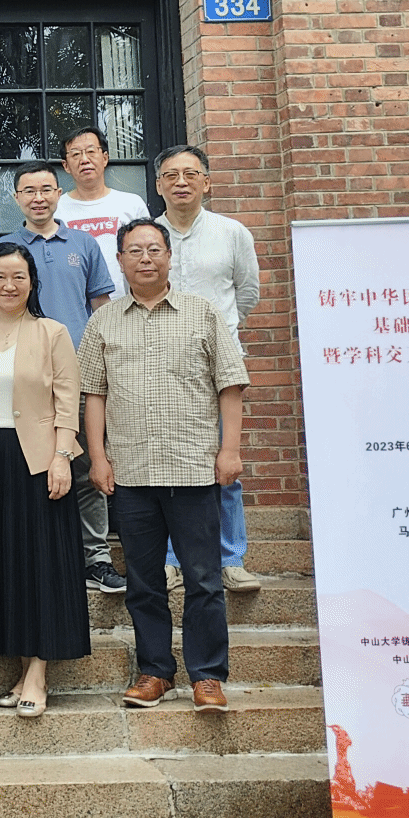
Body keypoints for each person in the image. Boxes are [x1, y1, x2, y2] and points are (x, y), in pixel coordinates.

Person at [82, 219, 249, 715]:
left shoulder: (203, 313)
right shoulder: (103, 322)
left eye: (155, 249)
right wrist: (98, 457)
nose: (146, 258)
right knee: (144, 582)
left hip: (194, 469)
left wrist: (230, 450)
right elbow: (94, 394)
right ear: (120, 260)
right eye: (135, 250)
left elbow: (231, 384)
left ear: (170, 257)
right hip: (132, 473)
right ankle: (154, 670)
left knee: (204, 579)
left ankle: (207, 675)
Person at [0, 242, 89, 717]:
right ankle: (19, 666)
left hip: (39, 461)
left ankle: (38, 672)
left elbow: (68, 399)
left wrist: (62, 457)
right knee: (5, 564)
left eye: (18, 277)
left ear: (32, 283)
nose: (8, 285)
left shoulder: (53, 333)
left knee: (40, 563)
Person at [0, 161, 123, 596]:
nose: (38, 198)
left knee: (84, 467)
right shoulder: (5, 247)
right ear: (16, 198)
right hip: (20, 380)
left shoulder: (83, 244)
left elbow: (101, 308)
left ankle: (95, 558)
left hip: (78, 375)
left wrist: (104, 363)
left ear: (58, 193)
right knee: (28, 468)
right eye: (28, 191)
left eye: (46, 189)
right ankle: (37, 556)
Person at [153, 144, 263, 593]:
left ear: (207, 181)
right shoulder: (147, 235)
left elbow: (247, 293)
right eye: (171, 175)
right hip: (160, 362)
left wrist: (217, 332)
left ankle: (231, 558)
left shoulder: (232, 232)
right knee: (165, 466)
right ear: (158, 185)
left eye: (190, 174)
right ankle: (170, 560)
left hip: (219, 365)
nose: (181, 182)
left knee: (226, 462)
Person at [54, 126, 150, 298]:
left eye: (91, 151)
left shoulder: (132, 204)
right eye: (75, 154)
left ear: (105, 158)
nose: (84, 159)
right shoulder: (56, 208)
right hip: (76, 305)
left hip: (126, 304)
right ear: (66, 165)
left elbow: (148, 254)